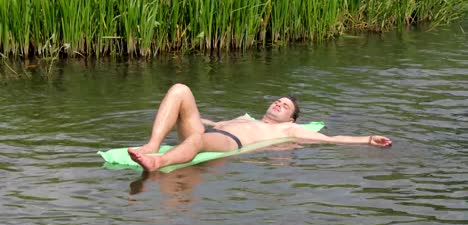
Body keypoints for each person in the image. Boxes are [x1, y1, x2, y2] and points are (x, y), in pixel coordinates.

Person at [128, 83, 392, 171]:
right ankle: (152, 144)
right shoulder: (244, 118)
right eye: (278, 101)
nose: (279, 103)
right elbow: (210, 122)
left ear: (291, 119)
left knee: (197, 140)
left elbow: (332, 139)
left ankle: (157, 163)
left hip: (228, 142)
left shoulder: (288, 130)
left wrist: (367, 139)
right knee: (180, 89)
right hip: (211, 131)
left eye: (285, 105)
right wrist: (180, 115)